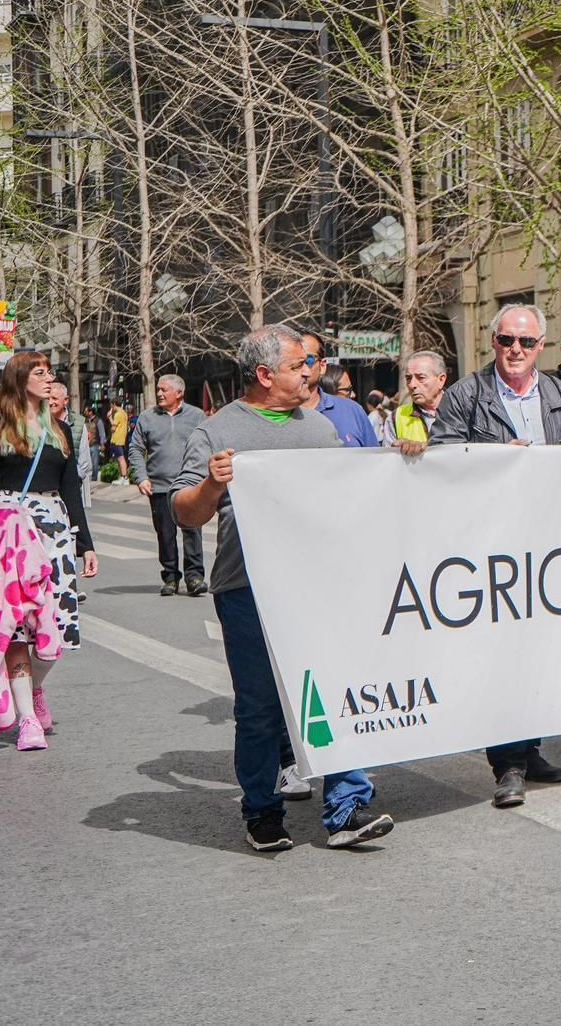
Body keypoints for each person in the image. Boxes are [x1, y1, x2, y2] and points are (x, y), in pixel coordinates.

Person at [172, 324, 394, 851]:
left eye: (309, 364)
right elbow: (184, 511)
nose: (310, 372)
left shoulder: (318, 429)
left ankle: (345, 809)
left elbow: (352, 499)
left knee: (336, 691)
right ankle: (262, 811)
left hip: (317, 590)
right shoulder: (218, 429)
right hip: (246, 588)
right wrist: (212, 483)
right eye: (299, 366)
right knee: (260, 708)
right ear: (266, 374)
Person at [409, 303, 561, 808]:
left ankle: (531, 748)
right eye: (507, 340)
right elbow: (444, 461)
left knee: (537, 651)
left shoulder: (557, 393)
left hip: (549, 544)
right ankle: (506, 763)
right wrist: (496, 458)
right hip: (492, 546)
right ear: (493, 343)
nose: (515, 350)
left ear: (541, 348)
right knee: (501, 653)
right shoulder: (467, 395)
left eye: (526, 343)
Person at [0, 353, 97, 752]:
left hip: (53, 534)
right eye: (39, 373)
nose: (48, 379)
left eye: (49, 372)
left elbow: (72, 490)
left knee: (54, 628)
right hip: (7, 531)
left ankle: (35, 689)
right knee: (14, 627)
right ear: (19, 378)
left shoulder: (60, 429)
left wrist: (86, 544)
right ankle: (26, 719)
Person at [126, 375, 207, 596]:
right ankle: (170, 577)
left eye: (165, 390)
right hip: (159, 487)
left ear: (179, 393)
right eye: (159, 390)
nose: (160, 394)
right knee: (165, 534)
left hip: (189, 485)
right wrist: (141, 477)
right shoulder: (147, 417)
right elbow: (135, 449)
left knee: (192, 532)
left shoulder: (197, 416)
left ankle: (195, 577)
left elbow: (206, 446)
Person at [299, 332, 378, 448]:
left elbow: (376, 461)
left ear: (322, 366)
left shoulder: (353, 411)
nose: (301, 369)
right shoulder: (273, 413)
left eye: (308, 360)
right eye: (291, 362)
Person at [391, 350, 448, 446]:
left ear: (441, 380)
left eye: (421, 377)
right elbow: (388, 458)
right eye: (408, 378)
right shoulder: (396, 417)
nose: (412, 385)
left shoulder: (463, 412)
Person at [50, 383, 91, 509]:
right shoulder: (39, 421)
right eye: (48, 398)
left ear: (66, 400)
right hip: (47, 490)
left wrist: (70, 481)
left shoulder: (78, 424)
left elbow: (84, 463)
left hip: (70, 489)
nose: (50, 402)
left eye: (55, 398)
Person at [108, 398, 130, 472]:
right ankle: (123, 476)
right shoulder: (124, 413)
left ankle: (124, 477)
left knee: (120, 458)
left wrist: (110, 430)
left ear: (114, 404)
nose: (111, 407)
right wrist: (110, 418)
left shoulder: (117, 414)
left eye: (111, 405)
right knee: (120, 458)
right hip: (122, 439)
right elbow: (116, 424)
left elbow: (113, 428)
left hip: (116, 439)